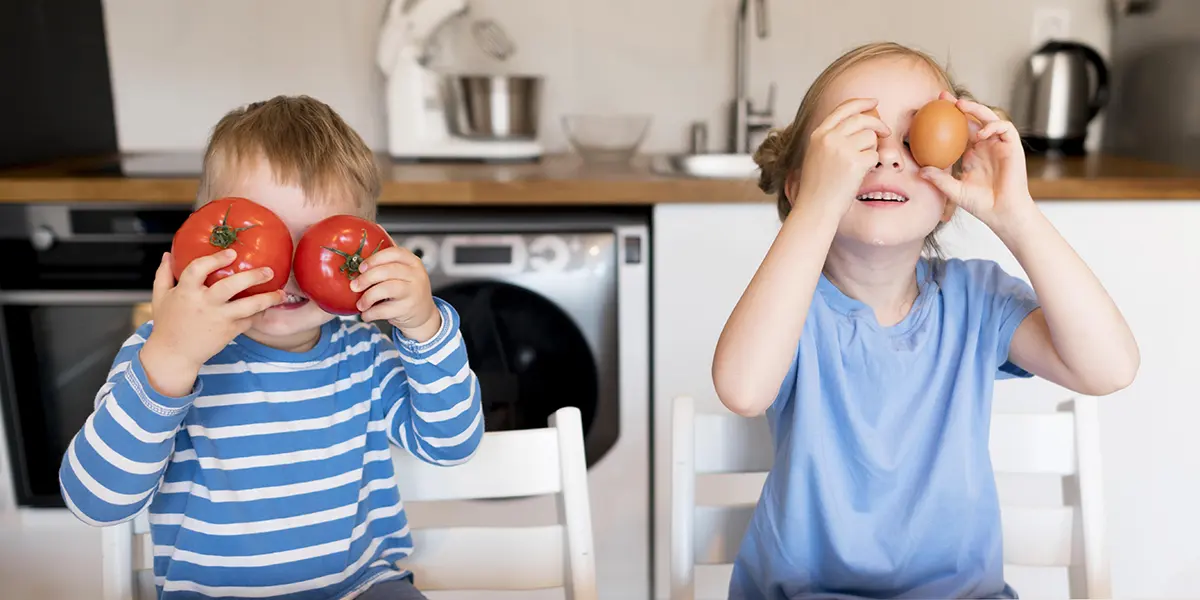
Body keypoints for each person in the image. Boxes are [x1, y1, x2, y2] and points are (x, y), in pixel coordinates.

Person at [711, 42, 1139, 599]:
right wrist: (816, 205)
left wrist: (1017, 217)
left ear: (947, 198)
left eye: (915, 139)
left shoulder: (976, 300)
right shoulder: (791, 309)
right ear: (800, 182)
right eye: (860, 138)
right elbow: (742, 388)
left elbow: (1110, 368)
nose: (888, 155)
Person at [58, 95, 482, 600]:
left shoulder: (366, 354)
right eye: (261, 237)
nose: (290, 274)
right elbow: (95, 502)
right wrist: (172, 357)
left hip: (362, 588)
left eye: (324, 241)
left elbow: (452, 443)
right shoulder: (164, 357)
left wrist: (424, 328)